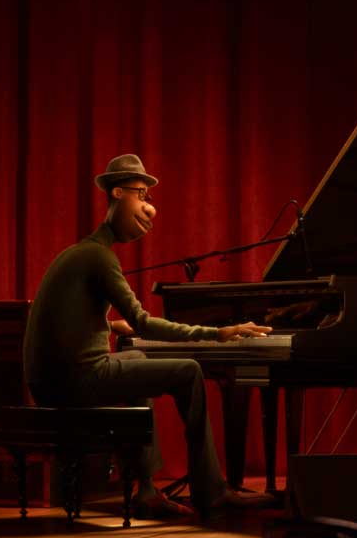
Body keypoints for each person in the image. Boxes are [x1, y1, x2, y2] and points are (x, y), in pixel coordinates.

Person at [22, 154, 273, 519]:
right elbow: (142, 322)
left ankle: (147, 490)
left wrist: (108, 327)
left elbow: (68, 321)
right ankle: (212, 490)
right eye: (142, 195)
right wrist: (219, 333)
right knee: (187, 370)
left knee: (137, 361)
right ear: (118, 193)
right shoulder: (98, 257)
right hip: (74, 381)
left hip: (52, 382)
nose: (149, 208)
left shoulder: (80, 253)